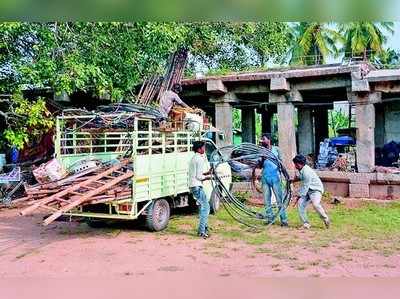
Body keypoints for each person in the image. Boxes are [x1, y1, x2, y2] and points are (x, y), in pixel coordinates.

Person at [292, 154, 330, 229]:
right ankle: (306, 223)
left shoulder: (306, 172)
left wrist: (299, 196)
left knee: (315, 204)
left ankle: (325, 218)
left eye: (296, 164)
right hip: (308, 190)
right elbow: (300, 178)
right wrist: (293, 180)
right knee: (300, 204)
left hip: (316, 190)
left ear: (300, 164)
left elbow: (305, 186)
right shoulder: (301, 170)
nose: (295, 166)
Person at [259, 133, 288, 226]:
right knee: (266, 199)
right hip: (265, 177)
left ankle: (284, 220)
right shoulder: (261, 151)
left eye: (263, 139)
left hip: (275, 177)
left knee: (279, 199)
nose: (262, 140)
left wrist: (285, 175)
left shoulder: (276, 150)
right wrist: (263, 158)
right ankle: (269, 218)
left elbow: (281, 163)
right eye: (262, 139)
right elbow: (260, 165)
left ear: (269, 140)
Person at [188, 141, 212, 239]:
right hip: (197, 186)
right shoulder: (200, 159)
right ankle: (202, 231)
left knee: (204, 207)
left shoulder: (194, 158)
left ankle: (204, 228)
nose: (204, 149)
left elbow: (198, 173)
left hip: (194, 185)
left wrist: (207, 173)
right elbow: (198, 176)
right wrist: (208, 177)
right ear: (199, 149)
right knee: (205, 208)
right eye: (203, 147)